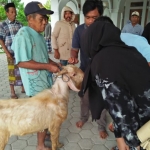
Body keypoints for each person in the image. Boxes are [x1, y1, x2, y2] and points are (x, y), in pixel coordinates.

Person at [80, 19, 150, 150]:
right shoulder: (129, 50)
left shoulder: (102, 60)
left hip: (141, 122)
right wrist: (119, 133)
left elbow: (120, 108)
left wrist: (132, 142)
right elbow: (122, 97)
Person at [11, 1, 60, 150]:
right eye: (41, 18)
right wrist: (48, 66)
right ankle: (40, 146)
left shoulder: (39, 36)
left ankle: (46, 138)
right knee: (42, 116)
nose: (45, 22)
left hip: (44, 81)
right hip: (35, 85)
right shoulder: (23, 34)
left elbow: (44, 58)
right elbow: (21, 62)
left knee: (48, 113)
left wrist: (57, 65)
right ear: (30, 19)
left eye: (46, 19)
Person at [68, 0, 108, 139]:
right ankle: (84, 117)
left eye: (94, 18)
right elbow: (74, 49)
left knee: (102, 98)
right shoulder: (79, 30)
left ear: (101, 16)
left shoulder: (105, 29)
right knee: (84, 98)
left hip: (103, 71)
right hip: (85, 70)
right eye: (87, 17)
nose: (90, 21)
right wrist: (73, 58)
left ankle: (101, 125)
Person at [0, 2, 24, 99]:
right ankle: (12, 91)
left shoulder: (20, 24)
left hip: (21, 53)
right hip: (10, 52)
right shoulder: (3, 25)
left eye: (15, 11)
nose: (14, 13)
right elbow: (1, 39)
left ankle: (23, 87)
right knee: (12, 72)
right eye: (12, 12)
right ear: (7, 13)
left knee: (22, 70)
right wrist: (6, 52)